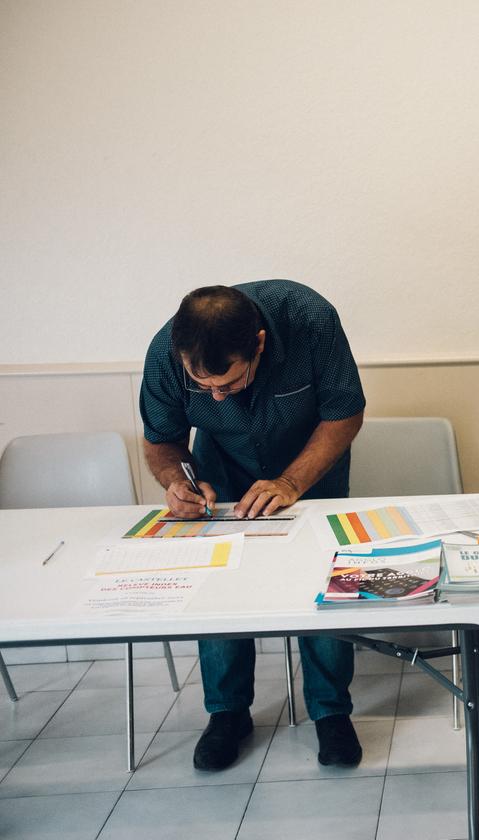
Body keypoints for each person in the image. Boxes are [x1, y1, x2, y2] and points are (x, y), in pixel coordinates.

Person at [139, 280, 366, 771]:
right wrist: (177, 482)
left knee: (323, 582)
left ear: (258, 344)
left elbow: (345, 413)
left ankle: (330, 713)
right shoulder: (166, 351)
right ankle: (227, 715)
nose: (216, 398)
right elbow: (162, 440)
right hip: (219, 467)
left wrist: (290, 481)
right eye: (204, 387)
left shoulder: (311, 319)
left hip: (307, 466)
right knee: (219, 585)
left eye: (231, 383)